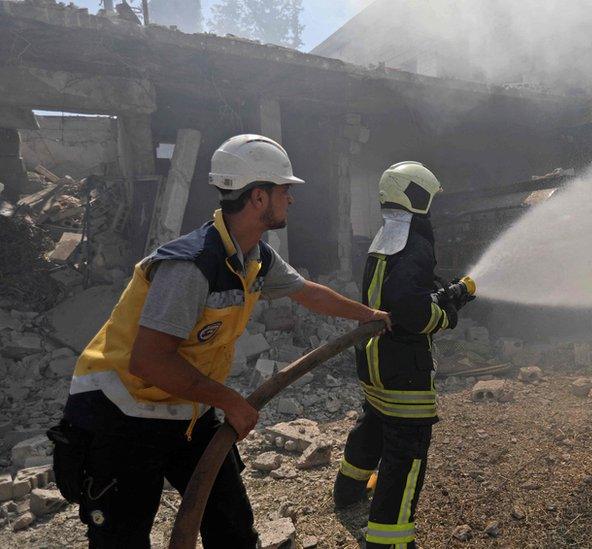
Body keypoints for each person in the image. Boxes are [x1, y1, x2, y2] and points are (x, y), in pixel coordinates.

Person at [47, 134, 390, 548]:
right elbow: (150, 362)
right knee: (122, 537)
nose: (292, 200)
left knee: (231, 527)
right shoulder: (190, 266)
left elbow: (307, 291)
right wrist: (229, 400)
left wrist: (369, 316)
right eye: (285, 190)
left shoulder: (256, 256)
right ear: (259, 198)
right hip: (121, 414)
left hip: (186, 411)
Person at [332, 161, 474, 548]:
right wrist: (445, 314)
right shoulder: (415, 244)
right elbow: (412, 312)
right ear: (419, 197)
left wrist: (442, 291)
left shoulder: (385, 238)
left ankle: (347, 490)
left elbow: (395, 295)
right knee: (406, 454)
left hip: (373, 364)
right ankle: (389, 540)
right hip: (403, 372)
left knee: (375, 423)